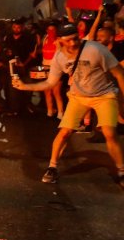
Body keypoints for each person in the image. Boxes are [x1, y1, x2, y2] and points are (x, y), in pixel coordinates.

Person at [12, 23, 124, 186]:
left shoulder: (96, 50)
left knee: (109, 133)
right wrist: (25, 86)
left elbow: (120, 74)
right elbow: (50, 83)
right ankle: (52, 167)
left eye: (75, 39)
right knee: (64, 132)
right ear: (60, 40)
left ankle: (121, 171)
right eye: (68, 40)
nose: (73, 43)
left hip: (104, 95)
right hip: (78, 97)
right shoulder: (59, 57)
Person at [39, 22, 64, 119]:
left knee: (56, 92)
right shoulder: (44, 39)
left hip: (56, 69)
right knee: (47, 91)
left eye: (53, 30)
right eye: (49, 30)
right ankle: (50, 111)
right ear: (46, 31)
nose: (51, 32)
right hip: (45, 68)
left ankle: (60, 113)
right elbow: (43, 53)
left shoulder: (59, 41)